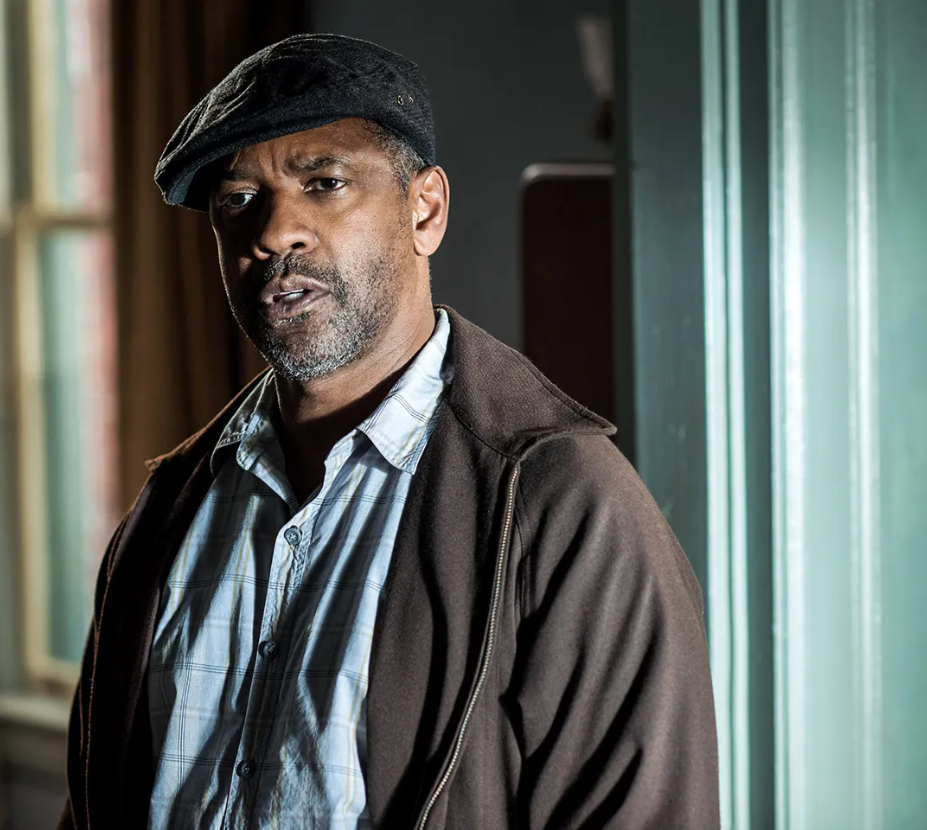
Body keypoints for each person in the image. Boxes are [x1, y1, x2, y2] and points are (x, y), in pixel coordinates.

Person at [60, 33, 719, 829]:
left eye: (324, 182)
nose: (275, 231)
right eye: (238, 201)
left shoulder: (564, 506)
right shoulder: (170, 508)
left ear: (425, 210)